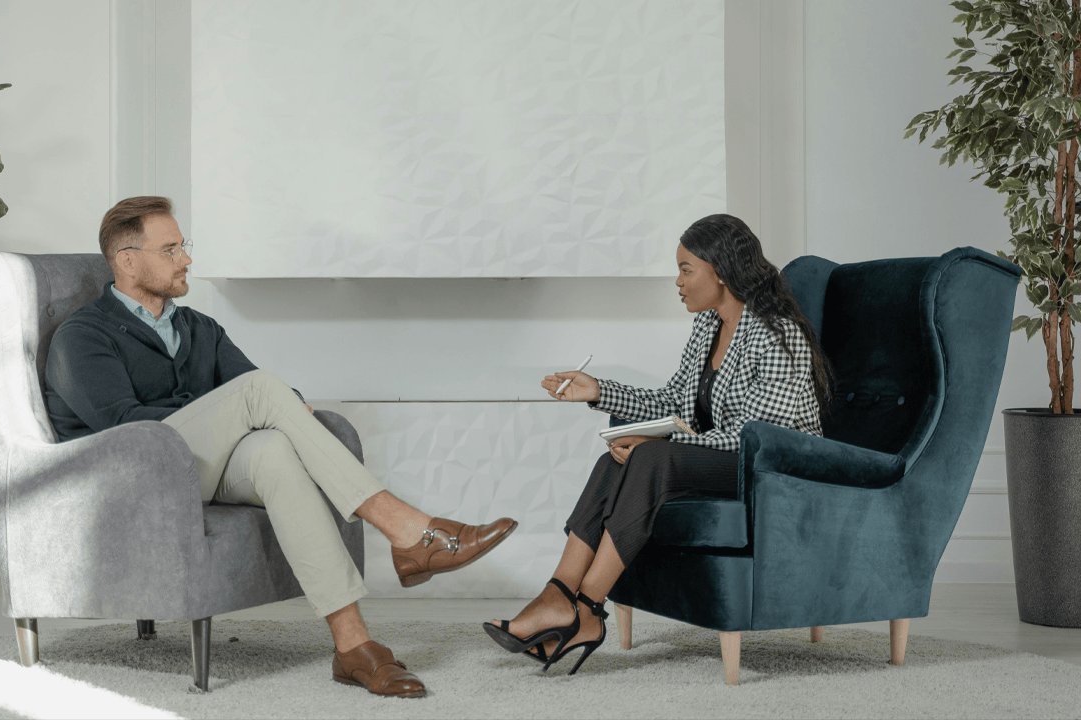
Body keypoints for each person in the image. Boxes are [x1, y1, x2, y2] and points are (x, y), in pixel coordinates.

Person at [44, 196, 517, 699]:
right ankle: (407, 530)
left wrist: (282, 410)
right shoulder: (82, 336)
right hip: (132, 477)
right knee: (263, 393)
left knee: (274, 451)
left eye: (184, 246)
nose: (186, 259)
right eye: (170, 249)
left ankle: (353, 645)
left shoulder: (197, 328)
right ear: (127, 260)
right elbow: (125, 427)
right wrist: (254, 405)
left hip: (197, 466)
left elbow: (259, 393)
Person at [483, 213, 831, 675]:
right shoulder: (708, 327)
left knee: (648, 456)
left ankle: (586, 609)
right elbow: (673, 400)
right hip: (725, 459)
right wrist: (599, 391)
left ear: (721, 271)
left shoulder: (776, 331)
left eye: (687, 270)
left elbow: (760, 434)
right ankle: (559, 594)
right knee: (616, 460)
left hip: (774, 470)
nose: (678, 281)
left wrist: (659, 439)